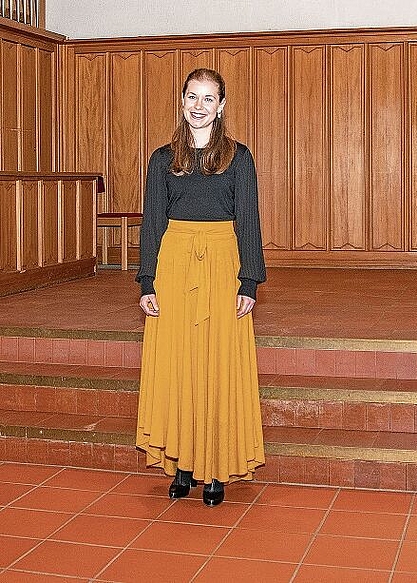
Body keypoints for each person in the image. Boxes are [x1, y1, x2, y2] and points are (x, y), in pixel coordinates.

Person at [135, 68, 266, 507]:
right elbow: (152, 222)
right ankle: (183, 465)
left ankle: (214, 469)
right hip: (173, 267)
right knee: (179, 367)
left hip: (222, 266)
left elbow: (248, 221)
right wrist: (146, 280)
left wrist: (248, 280)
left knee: (216, 366)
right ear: (183, 101)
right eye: (192, 97)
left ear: (221, 106)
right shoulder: (161, 159)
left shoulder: (239, 158)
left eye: (208, 99)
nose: (199, 106)